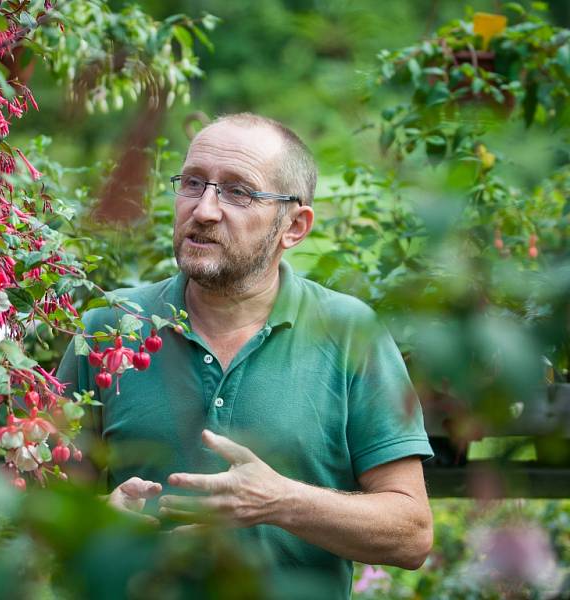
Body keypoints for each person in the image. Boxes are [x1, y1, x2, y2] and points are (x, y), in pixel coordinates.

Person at [57, 113, 433, 598]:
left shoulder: (348, 332)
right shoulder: (109, 328)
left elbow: (412, 535)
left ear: (293, 226)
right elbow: (46, 514)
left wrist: (280, 502)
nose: (204, 209)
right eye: (193, 183)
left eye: (239, 192)